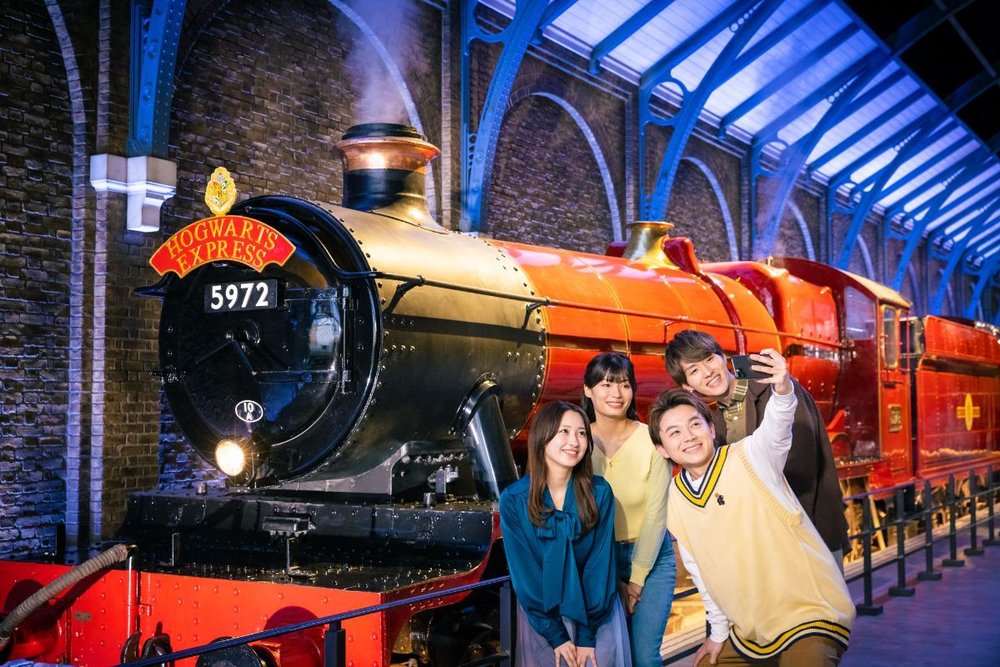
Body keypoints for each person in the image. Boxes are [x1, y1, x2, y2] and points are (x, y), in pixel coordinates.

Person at [649, 350, 854, 666]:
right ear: (662, 448)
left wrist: (783, 388)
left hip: (808, 614)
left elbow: (777, 428)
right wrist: (717, 632)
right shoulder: (675, 498)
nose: (688, 437)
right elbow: (700, 571)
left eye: (694, 425)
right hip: (750, 630)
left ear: (710, 427)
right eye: (674, 433)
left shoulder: (750, 455)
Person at [664, 330, 850, 563]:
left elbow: (801, 465)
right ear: (687, 385)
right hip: (762, 545)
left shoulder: (776, 388)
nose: (708, 372)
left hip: (809, 533)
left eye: (709, 359)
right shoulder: (715, 423)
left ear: (723, 357)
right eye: (694, 370)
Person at [499, 401, 632, 667]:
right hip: (544, 617)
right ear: (542, 437)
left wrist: (585, 636)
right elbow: (525, 575)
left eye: (582, 433)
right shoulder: (513, 500)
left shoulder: (600, 492)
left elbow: (600, 565)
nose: (574, 441)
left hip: (596, 612)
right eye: (564, 432)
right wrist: (556, 635)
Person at [582, 352, 675, 667]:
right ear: (587, 389)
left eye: (624, 385)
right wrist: (607, 574)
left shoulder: (651, 440)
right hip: (597, 561)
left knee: (644, 657)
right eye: (606, 384)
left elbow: (656, 515)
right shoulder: (577, 442)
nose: (616, 394)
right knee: (606, 657)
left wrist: (635, 582)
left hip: (650, 560)